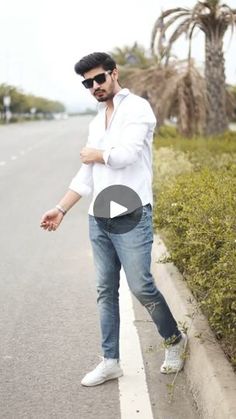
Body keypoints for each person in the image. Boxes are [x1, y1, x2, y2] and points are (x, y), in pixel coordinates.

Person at [40, 52, 187, 387]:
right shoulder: (96, 119)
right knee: (105, 291)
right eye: (87, 83)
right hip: (99, 218)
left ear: (113, 74)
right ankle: (110, 361)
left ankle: (174, 340)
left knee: (141, 286)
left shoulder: (137, 108)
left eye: (99, 79)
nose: (94, 86)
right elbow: (86, 175)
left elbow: (127, 155)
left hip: (132, 214)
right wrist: (61, 209)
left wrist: (98, 154)